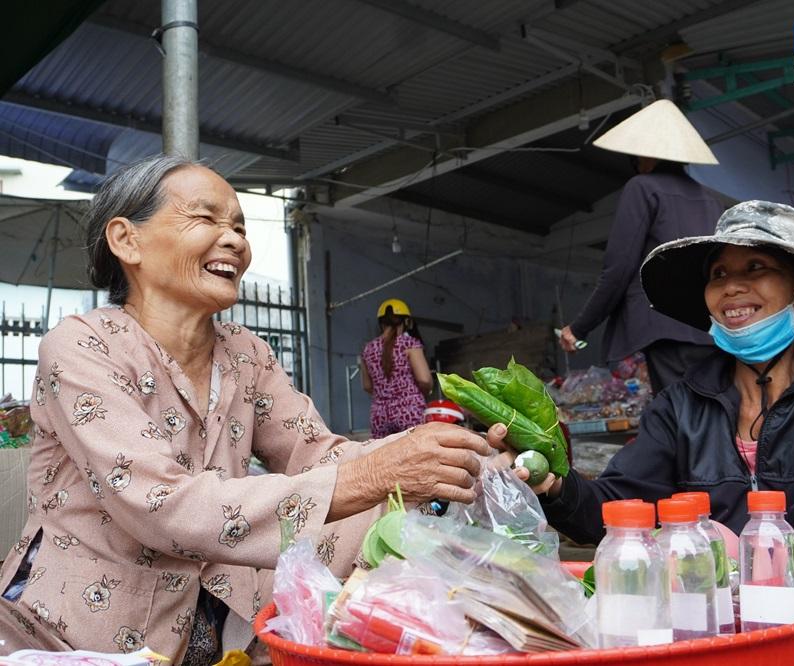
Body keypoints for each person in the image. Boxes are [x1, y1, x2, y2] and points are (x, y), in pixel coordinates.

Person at [0, 156, 500, 663]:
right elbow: (159, 504)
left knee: (392, 506)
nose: (235, 241)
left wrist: (455, 453)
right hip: (80, 635)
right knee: (363, 491)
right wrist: (378, 473)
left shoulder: (246, 352)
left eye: (239, 227)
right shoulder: (81, 346)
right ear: (128, 241)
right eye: (206, 218)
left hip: (224, 622)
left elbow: (317, 455)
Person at [514, 200, 794, 665]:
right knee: (704, 539)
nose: (732, 287)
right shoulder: (680, 403)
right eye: (718, 274)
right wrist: (553, 485)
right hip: (742, 617)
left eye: (756, 267)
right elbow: (616, 510)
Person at [559, 100, 723, 393]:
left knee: (679, 412)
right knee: (711, 410)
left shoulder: (643, 187)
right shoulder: (710, 199)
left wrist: (579, 328)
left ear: (646, 155)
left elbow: (619, 269)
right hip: (710, 328)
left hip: (664, 326)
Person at [360, 299, 432, 438]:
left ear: (381, 323)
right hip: (410, 410)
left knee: (384, 451)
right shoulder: (410, 344)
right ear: (406, 321)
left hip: (380, 414)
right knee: (415, 449)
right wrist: (420, 392)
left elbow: (367, 386)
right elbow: (424, 379)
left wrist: (385, 395)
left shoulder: (368, 349)